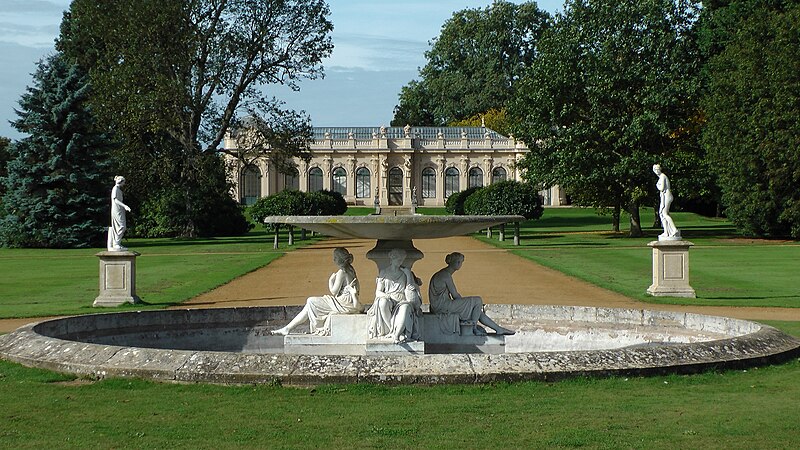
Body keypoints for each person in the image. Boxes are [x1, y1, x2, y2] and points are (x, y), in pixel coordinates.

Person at [272, 248, 363, 336]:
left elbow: (334, 292)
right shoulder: (351, 269)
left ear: (340, 259)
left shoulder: (341, 272)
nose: (334, 259)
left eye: (335, 257)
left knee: (311, 301)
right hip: (348, 302)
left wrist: (330, 281)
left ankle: (288, 328)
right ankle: (288, 328)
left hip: (343, 304)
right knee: (309, 306)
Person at [429, 252, 514, 335]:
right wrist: (464, 304)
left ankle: (498, 329)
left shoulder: (443, 273)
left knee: (475, 310)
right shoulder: (445, 275)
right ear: (451, 262)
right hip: (442, 306)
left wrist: (466, 305)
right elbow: (455, 295)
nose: (459, 264)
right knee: (477, 300)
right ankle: (473, 328)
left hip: (439, 305)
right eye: (457, 261)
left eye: (461, 262)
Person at [367, 248, 422, 343]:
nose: (400, 262)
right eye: (399, 260)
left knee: (405, 308)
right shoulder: (384, 272)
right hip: (388, 299)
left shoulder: (406, 273)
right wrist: (386, 296)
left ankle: (397, 334)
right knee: (382, 302)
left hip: (402, 301)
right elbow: (378, 292)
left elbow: (410, 291)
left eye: (402, 260)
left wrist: (409, 275)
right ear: (392, 259)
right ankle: (391, 331)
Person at [652, 164, 680, 240]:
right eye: (655, 169)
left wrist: (657, 185)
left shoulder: (662, 177)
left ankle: (674, 230)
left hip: (667, 196)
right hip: (664, 197)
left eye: (657, 169)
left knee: (664, 213)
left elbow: (661, 188)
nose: (656, 171)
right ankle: (666, 231)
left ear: (660, 169)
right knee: (661, 213)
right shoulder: (661, 177)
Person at [108, 176, 131, 251]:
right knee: (121, 226)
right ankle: (116, 243)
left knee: (121, 226)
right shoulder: (115, 189)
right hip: (117, 210)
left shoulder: (118, 190)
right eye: (124, 182)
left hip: (120, 210)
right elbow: (116, 200)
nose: (124, 184)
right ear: (121, 181)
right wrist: (125, 206)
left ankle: (117, 243)